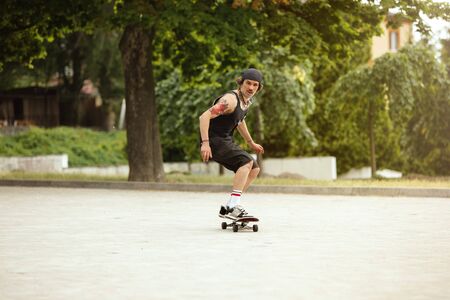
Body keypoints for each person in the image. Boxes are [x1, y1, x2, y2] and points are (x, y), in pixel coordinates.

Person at [199, 68, 264, 219]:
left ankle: (231, 204)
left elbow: (239, 121)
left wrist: (251, 142)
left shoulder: (246, 101)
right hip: (214, 141)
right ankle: (234, 206)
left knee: (254, 169)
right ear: (241, 82)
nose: (251, 88)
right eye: (248, 83)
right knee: (246, 162)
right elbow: (204, 117)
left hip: (225, 140)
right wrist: (205, 143)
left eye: (255, 85)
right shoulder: (230, 100)